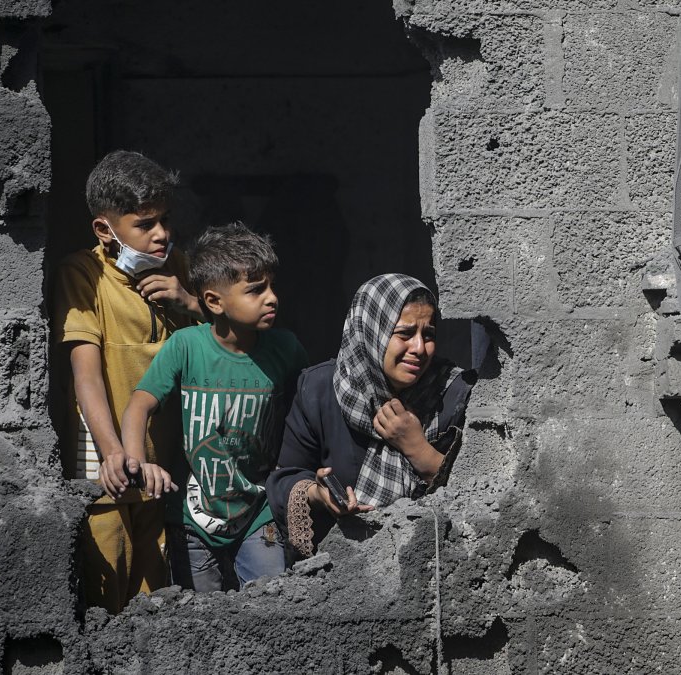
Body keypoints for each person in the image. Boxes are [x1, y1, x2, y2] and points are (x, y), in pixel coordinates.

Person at [121, 222, 309, 591]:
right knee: (199, 621)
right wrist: (137, 462)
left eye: (271, 286)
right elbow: (138, 406)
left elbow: (309, 411)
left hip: (259, 513)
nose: (271, 298)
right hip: (192, 518)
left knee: (273, 608)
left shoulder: (285, 350)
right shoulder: (186, 346)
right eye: (255, 290)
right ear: (213, 301)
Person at [52, 150, 201, 614]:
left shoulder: (180, 267)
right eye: (144, 224)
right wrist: (113, 453)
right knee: (106, 599)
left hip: (165, 471)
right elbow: (86, 377)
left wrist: (190, 301)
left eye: (165, 219)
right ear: (105, 230)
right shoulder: (83, 275)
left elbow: (230, 340)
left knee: (154, 602)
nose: (161, 234)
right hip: (107, 467)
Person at [267, 274, 475, 558]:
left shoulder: (454, 393)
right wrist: (319, 494)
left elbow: (477, 489)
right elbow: (285, 478)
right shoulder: (319, 389)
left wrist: (417, 448)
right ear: (371, 330)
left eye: (428, 335)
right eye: (404, 333)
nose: (418, 348)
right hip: (336, 569)